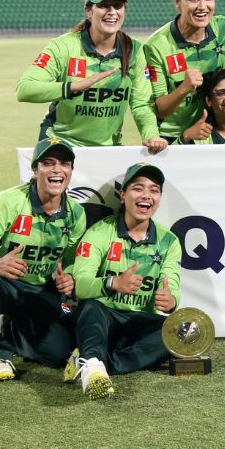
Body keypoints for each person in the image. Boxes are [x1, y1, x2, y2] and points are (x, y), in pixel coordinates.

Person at [0, 137, 86, 381]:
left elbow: (71, 260)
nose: (57, 169)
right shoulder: (8, 201)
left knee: (57, 355)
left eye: (64, 164)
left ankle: (11, 331)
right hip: (3, 284)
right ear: (35, 170)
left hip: (39, 291)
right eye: (48, 163)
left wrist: (69, 276)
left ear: (70, 171)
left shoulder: (76, 214)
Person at [67, 162, 182, 400]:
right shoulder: (98, 233)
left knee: (177, 333)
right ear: (122, 195)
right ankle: (94, 365)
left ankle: (95, 362)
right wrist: (113, 283)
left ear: (159, 198)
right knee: (90, 308)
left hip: (138, 321)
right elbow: (81, 284)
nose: (146, 195)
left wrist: (171, 300)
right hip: (103, 318)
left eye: (154, 190)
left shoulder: (169, 241)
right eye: (138, 188)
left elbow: (172, 285)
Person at [15, 0, 167, 153]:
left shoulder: (134, 51)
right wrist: (74, 87)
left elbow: (141, 103)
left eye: (118, 6)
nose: (112, 12)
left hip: (108, 148)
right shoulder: (63, 46)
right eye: (103, 5)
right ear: (88, 10)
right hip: (60, 144)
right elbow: (24, 89)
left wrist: (151, 134)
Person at [144, 0, 225, 144]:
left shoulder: (223, 26)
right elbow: (160, 109)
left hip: (211, 131)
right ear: (177, 2)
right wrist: (183, 88)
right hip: (173, 137)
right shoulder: (156, 46)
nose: (203, 7)